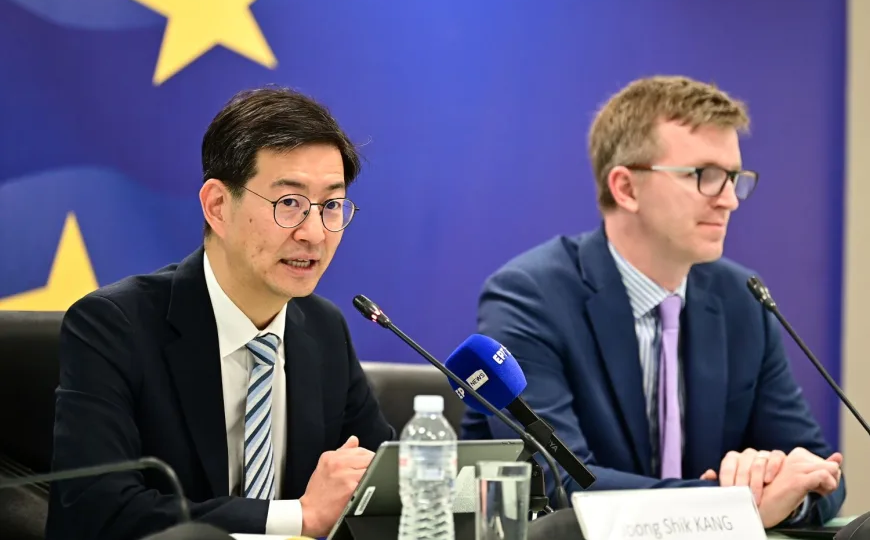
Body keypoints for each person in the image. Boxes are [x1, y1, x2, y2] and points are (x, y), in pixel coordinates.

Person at [460, 75, 846, 528]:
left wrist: (788, 492)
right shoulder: (530, 297)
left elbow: (819, 469)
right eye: (705, 176)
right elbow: (558, 480)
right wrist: (735, 503)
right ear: (626, 188)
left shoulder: (742, 300)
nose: (729, 201)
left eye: (734, 179)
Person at [46, 87, 395, 540]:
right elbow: (94, 514)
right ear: (217, 207)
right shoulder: (114, 327)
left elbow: (383, 491)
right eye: (289, 203)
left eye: (330, 205)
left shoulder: (323, 330)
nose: (314, 233)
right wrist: (298, 517)